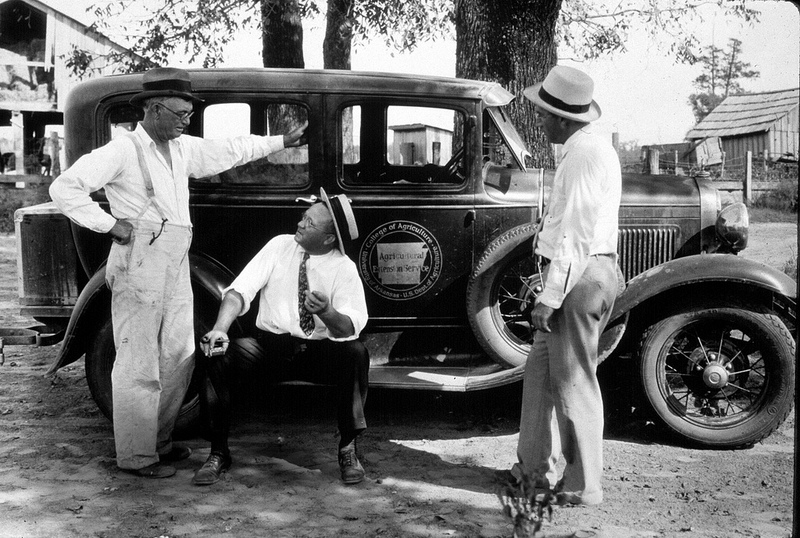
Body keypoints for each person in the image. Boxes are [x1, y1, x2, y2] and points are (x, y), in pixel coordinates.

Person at [49, 67, 307, 479]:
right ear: (152, 109)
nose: (187, 120)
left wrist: (280, 141)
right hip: (139, 263)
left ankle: (159, 443)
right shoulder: (121, 151)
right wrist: (109, 225)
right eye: (180, 113)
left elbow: (230, 150)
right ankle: (135, 456)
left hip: (175, 258)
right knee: (137, 361)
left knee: (178, 355)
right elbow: (64, 188)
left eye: (189, 113)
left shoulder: (182, 148)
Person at [193, 188, 369, 486]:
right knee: (215, 353)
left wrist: (326, 312)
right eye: (304, 217)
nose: (300, 224)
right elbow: (239, 291)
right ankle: (218, 452)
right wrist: (220, 329)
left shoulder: (344, 269)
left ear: (328, 238)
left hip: (317, 353)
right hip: (269, 348)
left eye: (310, 223)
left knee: (356, 353)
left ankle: (348, 449)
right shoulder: (279, 246)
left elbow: (349, 328)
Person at [507, 65, 622, 506]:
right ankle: (533, 469)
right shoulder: (589, 148)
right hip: (579, 272)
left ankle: (583, 484)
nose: (539, 121)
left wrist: (549, 298)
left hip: (579, 277)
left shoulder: (582, 155)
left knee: (573, 381)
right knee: (539, 374)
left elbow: (574, 234)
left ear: (561, 118)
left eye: (542, 114)